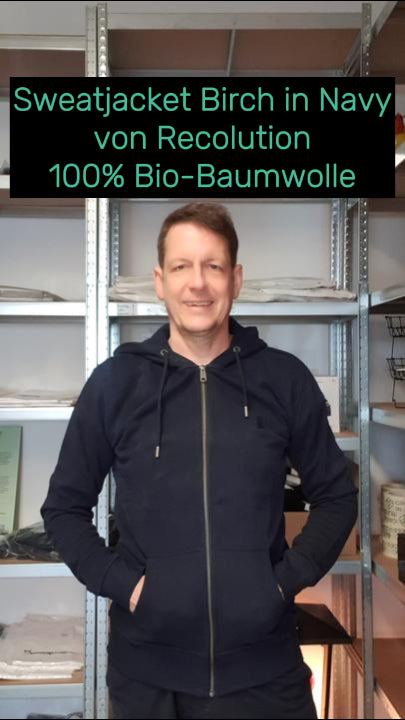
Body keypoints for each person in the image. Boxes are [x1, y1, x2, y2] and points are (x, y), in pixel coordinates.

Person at [41, 201, 358, 719]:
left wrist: (283, 582)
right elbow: (63, 509)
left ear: (236, 279)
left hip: (266, 674)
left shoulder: (283, 379)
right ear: (160, 281)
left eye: (213, 266)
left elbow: (337, 497)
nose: (198, 283)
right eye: (182, 267)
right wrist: (128, 587)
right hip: (148, 680)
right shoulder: (115, 384)